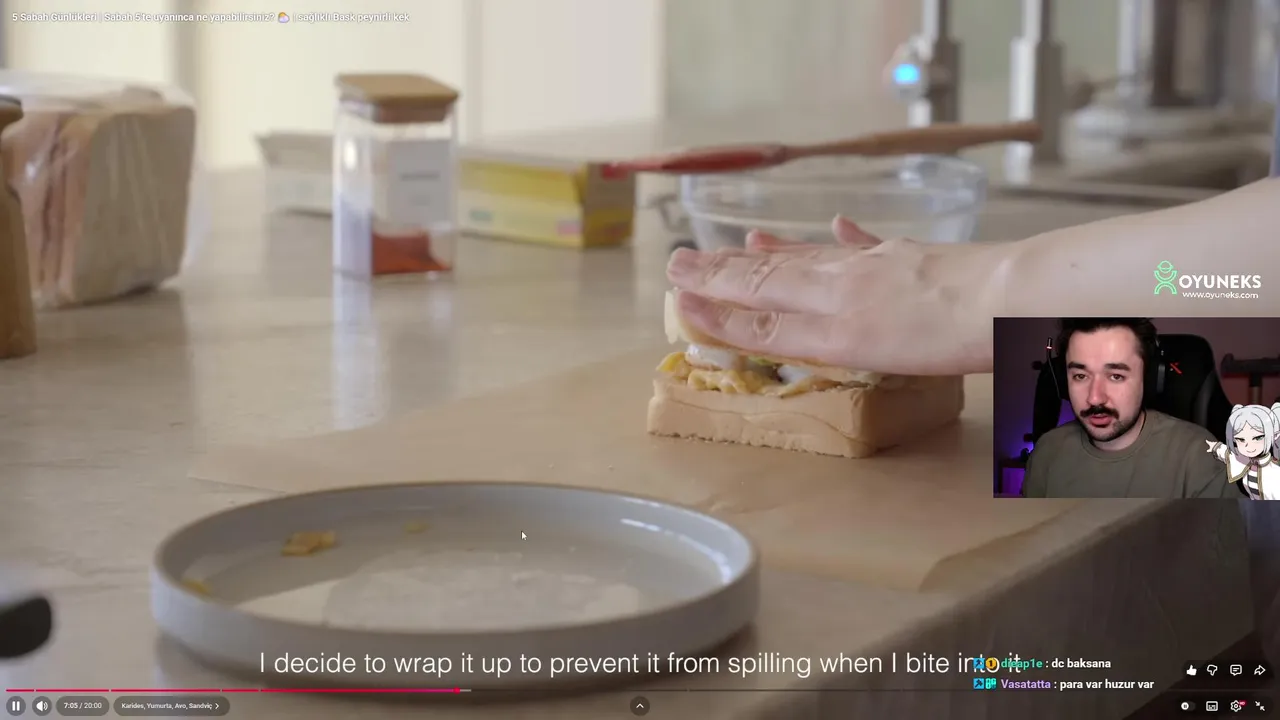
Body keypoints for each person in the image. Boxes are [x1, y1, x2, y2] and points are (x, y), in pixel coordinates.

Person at [1020, 318, 1234, 498]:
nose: (1095, 398)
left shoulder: (1199, 458)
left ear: (1148, 379)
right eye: (1080, 376)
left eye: (1116, 376)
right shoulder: (1047, 453)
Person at [1208, 403, 1280, 499]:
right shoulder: (1243, 459)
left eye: (1258, 438)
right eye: (1241, 439)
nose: (1248, 445)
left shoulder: (1274, 474)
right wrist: (1215, 447)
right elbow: (1228, 454)